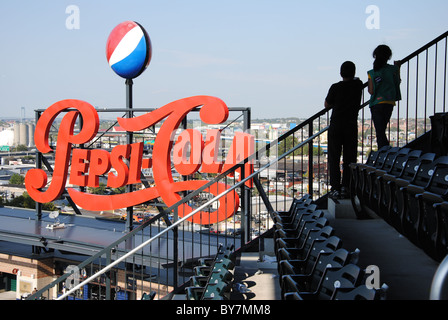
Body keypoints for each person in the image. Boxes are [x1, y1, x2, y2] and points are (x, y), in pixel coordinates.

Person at [325, 61, 364, 199]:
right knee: (349, 157)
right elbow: (357, 81)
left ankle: (335, 187)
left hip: (336, 124)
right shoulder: (358, 85)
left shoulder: (335, 87)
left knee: (334, 157)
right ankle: (347, 186)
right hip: (351, 125)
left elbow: (326, 104)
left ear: (341, 73)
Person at [367, 45, 401, 149]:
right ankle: (385, 151)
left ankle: (384, 151)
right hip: (389, 102)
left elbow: (371, 91)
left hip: (376, 104)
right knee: (382, 130)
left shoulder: (372, 73)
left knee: (379, 131)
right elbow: (397, 82)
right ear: (388, 56)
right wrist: (398, 67)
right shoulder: (393, 69)